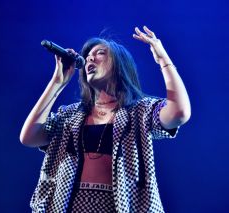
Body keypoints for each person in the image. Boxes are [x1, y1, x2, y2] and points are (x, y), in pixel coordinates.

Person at [20, 26, 191, 213]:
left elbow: (179, 113)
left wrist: (163, 59)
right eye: (88, 57)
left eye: (100, 53)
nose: (90, 58)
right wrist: (57, 83)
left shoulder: (139, 111)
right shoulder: (70, 115)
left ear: (119, 65)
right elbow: (29, 137)